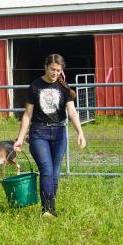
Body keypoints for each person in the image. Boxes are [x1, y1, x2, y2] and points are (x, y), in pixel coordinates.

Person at [13, 54, 86, 218]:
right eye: (52, 69)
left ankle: (50, 206)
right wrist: (20, 138)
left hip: (60, 134)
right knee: (46, 171)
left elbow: (72, 112)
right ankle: (48, 211)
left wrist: (80, 133)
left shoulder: (64, 88)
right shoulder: (35, 86)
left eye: (59, 70)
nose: (55, 73)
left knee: (54, 175)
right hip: (39, 133)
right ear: (45, 67)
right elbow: (27, 115)